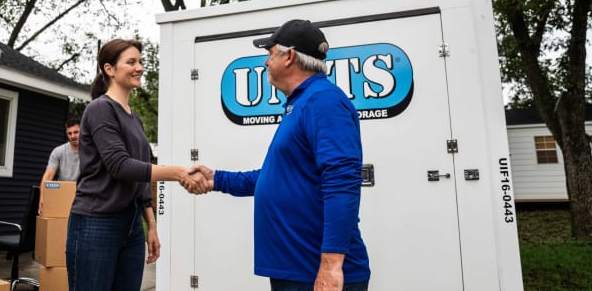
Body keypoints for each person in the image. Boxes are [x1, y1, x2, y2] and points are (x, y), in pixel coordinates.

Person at [186, 19, 370, 291]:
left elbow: (342, 181)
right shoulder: (301, 104)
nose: (265, 63)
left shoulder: (324, 101)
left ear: (290, 56)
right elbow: (280, 177)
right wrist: (217, 179)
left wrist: (331, 265)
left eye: (270, 54)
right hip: (296, 269)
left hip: (313, 271)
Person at [66, 38, 207, 291]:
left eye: (140, 62)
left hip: (131, 225)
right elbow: (120, 166)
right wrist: (178, 172)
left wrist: (150, 225)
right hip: (96, 223)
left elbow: (140, 176)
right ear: (109, 69)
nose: (139, 67)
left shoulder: (134, 117)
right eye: (131, 62)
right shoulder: (100, 109)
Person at [38, 117, 82, 216]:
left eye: (76, 132)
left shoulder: (90, 151)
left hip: (82, 196)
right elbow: (48, 176)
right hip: (62, 195)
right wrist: (43, 198)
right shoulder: (58, 151)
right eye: (69, 133)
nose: (73, 136)